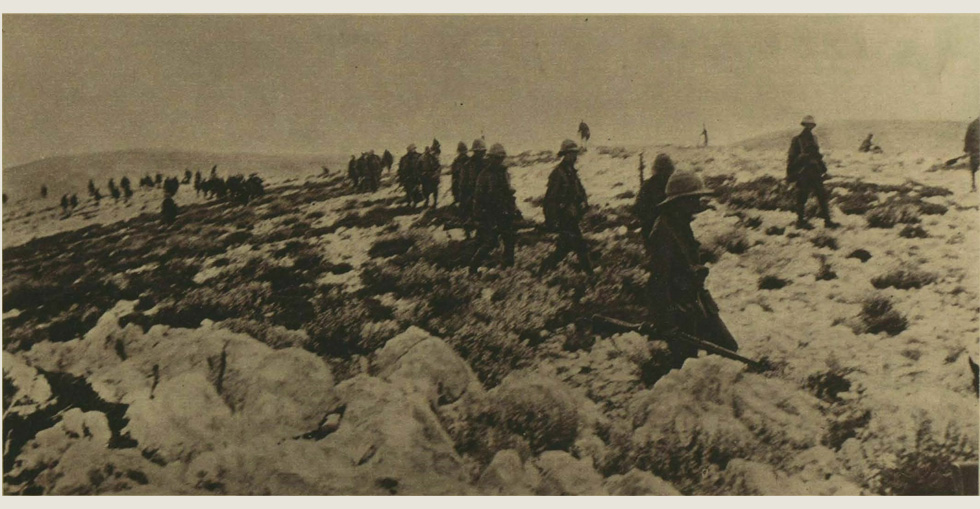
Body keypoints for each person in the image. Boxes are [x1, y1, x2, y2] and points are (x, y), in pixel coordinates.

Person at [645, 170, 739, 367]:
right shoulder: (663, 231)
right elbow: (657, 281)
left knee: (729, 348)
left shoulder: (680, 223)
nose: (699, 203)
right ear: (681, 201)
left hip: (697, 303)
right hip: (679, 310)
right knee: (684, 365)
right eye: (695, 198)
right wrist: (666, 322)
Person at [539, 139, 594, 276]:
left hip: (572, 217)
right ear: (566, 154)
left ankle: (543, 268)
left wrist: (583, 203)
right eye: (573, 153)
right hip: (564, 218)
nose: (575, 156)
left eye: (576, 153)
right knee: (580, 246)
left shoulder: (571, 172)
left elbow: (580, 192)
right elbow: (550, 200)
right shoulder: (558, 174)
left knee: (563, 250)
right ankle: (590, 276)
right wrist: (552, 221)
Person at [469, 143, 520, 274]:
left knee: (509, 240)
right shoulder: (484, 175)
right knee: (490, 242)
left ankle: (508, 267)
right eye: (496, 158)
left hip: (504, 212)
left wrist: (514, 209)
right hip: (489, 214)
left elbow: (509, 194)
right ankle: (473, 267)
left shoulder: (504, 173)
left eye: (501, 158)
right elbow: (478, 198)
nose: (499, 160)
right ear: (490, 158)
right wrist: (478, 217)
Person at [786, 115, 839, 229]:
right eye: (807, 124)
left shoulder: (814, 139)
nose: (809, 127)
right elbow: (791, 157)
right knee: (802, 197)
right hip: (803, 172)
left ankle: (827, 221)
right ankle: (800, 221)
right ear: (804, 125)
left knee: (822, 196)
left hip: (815, 171)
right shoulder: (797, 139)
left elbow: (818, 156)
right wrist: (790, 174)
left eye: (811, 125)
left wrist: (823, 169)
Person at [634, 153, 676, 243]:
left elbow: (638, 208)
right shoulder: (675, 183)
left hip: (650, 226)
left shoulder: (648, 184)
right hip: (672, 228)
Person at [459, 139, 488, 237]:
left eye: (483, 151)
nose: (482, 154)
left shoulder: (487, 164)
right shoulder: (467, 165)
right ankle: (468, 234)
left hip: (486, 194)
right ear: (475, 152)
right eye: (480, 152)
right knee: (467, 212)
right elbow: (463, 184)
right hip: (471, 194)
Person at [450, 141, 469, 206]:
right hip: (457, 179)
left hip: (464, 180)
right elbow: (453, 169)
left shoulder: (468, 160)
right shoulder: (456, 160)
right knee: (456, 191)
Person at [965, 117, 979, 191]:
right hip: (976, 150)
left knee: (974, 168)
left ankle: (973, 186)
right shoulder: (973, 124)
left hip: (974, 150)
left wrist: (966, 149)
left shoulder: (973, 124)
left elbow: (967, 137)